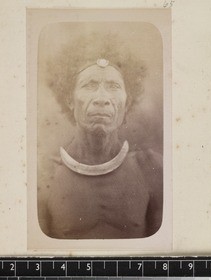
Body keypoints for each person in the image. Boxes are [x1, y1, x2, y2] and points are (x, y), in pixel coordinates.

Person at [38, 33, 163, 239]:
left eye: (113, 87)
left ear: (127, 102)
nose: (102, 99)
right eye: (90, 85)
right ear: (70, 99)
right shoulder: (45, 175)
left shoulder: (152, 169)